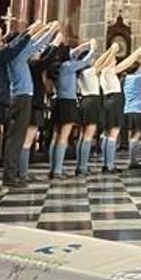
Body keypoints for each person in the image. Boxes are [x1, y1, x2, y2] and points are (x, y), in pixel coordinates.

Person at [3, 19, 59, 187]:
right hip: (22, 97)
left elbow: (33, 43)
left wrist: (41, 30)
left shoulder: (13, 53)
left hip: (20, 96)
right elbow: (35, 44)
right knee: (16, 138)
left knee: (18, 138)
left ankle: (14, 174)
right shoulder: (17, 53)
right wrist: (50, 32)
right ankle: (11, 175)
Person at [47, 38, 96, 178]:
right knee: (63, 137)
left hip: (57, 101)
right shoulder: (68, 66)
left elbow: (72, 53)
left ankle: (53, 168)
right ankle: (57, 170)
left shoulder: (56, 66)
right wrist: (92, 48)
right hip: (68, 102)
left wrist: (82, 45)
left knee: (55, 136)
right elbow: (85, 62)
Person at [98, 43, 141, 174]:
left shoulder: (103, 72)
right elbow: (125, 64)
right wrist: (136, 54)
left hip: (107, 101)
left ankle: (106, 163)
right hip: (115, 101)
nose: (115, 61)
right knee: (113, 134)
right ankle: (110, 165)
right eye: (113, 59)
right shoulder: (109, 71)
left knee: (107, 134)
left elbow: (123, 65)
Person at [75, 44, 105, 176]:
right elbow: (102, 62)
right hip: (92, 102)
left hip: (84, 101)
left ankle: (80, 165)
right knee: (88, 136)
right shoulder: (88, 71)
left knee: (82, 135)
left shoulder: (81, 72)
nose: (92, 61)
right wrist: (111, 50)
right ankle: (83, 167)